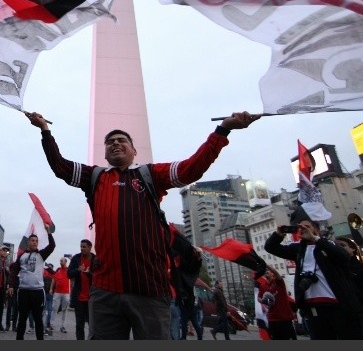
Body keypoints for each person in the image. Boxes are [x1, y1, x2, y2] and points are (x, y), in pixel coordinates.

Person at [25, 110, 260, 339]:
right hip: (105, 292)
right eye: (110, 142)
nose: (115, 143)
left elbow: (191, 169)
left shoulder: (151, 175)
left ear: (134, 151)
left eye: (122, 140)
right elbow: (60, 166)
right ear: (105, 153)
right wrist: (45, 130)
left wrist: (223, 130)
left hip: (149, 291)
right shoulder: (94, 177)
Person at [264, 219, 363, 339]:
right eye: (301, 227)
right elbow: (270, 247)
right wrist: (278, 234)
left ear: (316, 230)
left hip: (337, 304)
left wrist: (316, 239)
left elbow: (343, 257)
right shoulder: (298, 249)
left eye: (307, 226)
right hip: (313, 306)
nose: (303, 229)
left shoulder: (328, 244)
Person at [8, 227, 56, 340]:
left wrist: (49, 233)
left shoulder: (41, 255)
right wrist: (10, 286)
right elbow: (14, 271)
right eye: (32, 240)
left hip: (37, 292)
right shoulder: (21, 256)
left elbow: (52, 246)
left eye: (36, 241)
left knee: (38, 319)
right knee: (22, 319)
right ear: (28, 242)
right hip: (23, 291)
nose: (34, 242)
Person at [169, 225, 203, 340]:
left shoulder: (179, 264)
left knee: (175, 325)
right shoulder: (174, 261)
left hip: (176, 299)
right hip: (172, 298)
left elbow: (191, 269)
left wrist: (197, 258)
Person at [256, 266, 298, 340]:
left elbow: (276, 273)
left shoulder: (278, 282)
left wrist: (265, 265)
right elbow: (258, 298)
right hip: (272, 319)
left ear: (273, 274)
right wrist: (263, 301)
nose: (266, 271)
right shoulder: (263, 286)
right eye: (265, 270)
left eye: (268, 270)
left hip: (284, 319)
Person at [67, 239, 95, 340]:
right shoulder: (76, 258)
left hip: (92, 298)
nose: (82, 248)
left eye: (84, 247)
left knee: (93, 325)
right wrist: (78, 270)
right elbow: (69, 274)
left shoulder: (95, 259)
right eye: (81, 247)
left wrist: (89, 274)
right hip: (79, 298)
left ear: (90, 247)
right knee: (79, 325)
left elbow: (100, 277)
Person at [51, 257, 71, 333]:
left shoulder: (69, 270)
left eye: (62, 261)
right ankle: (52, 325)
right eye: (60, 261)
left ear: (66, 262)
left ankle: (63, 326)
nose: (60, 262)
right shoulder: (58, 270)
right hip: (57, 292)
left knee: (64, 310)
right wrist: (51, 288)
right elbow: (54, 279)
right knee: (54, 309)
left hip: (66, 292)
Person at [42, 263, 55, 333]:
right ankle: (47, 324)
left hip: (45, 293)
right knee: (49, 310)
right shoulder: (53, 275)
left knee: (44, 310)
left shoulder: (44, 274)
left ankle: (44, 324)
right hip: (50, 294)